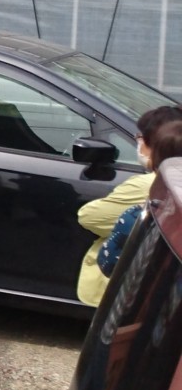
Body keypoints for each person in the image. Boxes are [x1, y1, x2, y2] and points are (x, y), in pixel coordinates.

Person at [76, 106, 182, 306]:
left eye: (141, 138)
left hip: (137, 295)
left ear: (157, 146)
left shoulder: (149, 189)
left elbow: (89, 217)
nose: (138, 142)